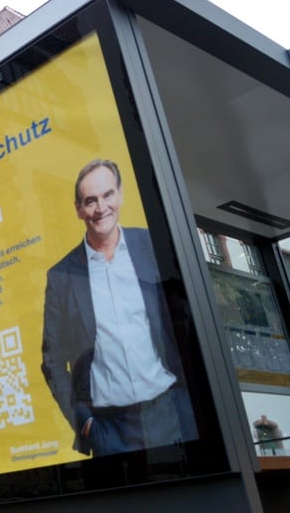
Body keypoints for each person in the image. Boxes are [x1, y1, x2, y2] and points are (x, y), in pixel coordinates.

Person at [40, 159, 196, 456]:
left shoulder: (151, 245)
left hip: (171, 411)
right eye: (90, 201)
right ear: (78, 209)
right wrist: (85, 421)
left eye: (107, 195)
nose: (101, 208)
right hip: (110, 430)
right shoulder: (62, 276)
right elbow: (52, 361)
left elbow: (185, 322)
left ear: (120, 194)